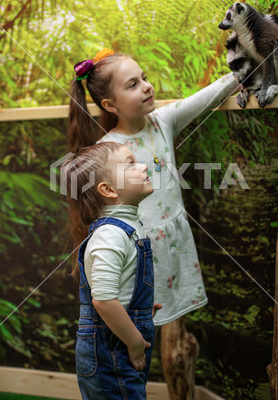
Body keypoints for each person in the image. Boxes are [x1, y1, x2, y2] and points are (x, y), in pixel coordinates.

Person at [68, 48, 238, 326]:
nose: (147, 87)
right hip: (139, 249)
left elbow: (203, 98)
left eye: (143, 78)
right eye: (133, 85)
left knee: (174, 325)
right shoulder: (107, 151)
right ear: (111, 105)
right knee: (142, 324)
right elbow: (107, 213)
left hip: (174, 240)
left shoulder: (162, 121)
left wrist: (241, 73)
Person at [62, 141, 161, 399]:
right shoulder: (111, 235)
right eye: (130, 164)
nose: (142, 166)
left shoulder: (128, 227)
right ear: (107, 189)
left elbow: (117, 292)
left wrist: (137, 308)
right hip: (111, 351)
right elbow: (104, 301)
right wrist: (136, 342)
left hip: (120, 345)